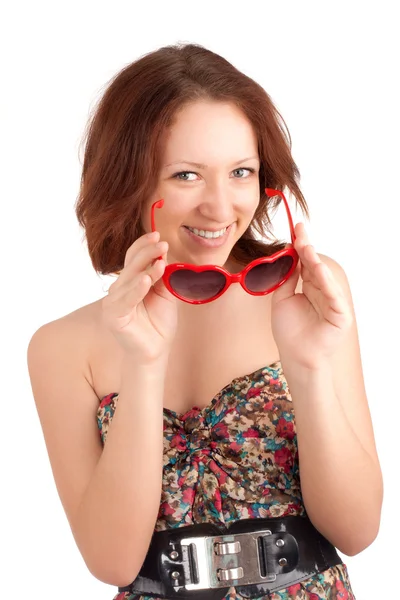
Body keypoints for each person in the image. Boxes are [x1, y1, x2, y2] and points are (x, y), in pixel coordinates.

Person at [27, 42, 383, 600]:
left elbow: (358, 530)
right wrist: (143, 364)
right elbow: (113, 561)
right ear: (130, 182)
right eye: (187, 175)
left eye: (240, 171)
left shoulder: (307, 292)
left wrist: (309, 366)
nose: (221, 207)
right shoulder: (63, 347)